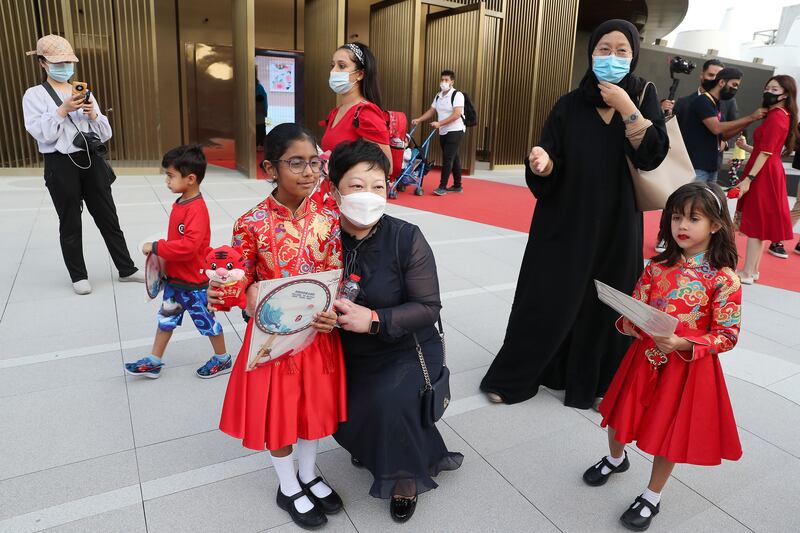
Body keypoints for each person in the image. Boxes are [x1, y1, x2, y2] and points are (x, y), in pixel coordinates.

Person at [479, 20, 669, 409]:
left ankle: (602, 382)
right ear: (590, 53)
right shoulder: (569, 103)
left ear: (634, 55)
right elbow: (548, 155)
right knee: (548, 292)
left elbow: (652, 155)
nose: (611, 58)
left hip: (618, 220)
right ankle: (521, 373)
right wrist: (543, 163)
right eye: (603, 49)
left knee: (611, 298)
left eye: (621, 51)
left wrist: (628, 108)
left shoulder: (643, 95)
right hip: (565, 216)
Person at [583, 182, 742, 532]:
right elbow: (633, 312)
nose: (682, 226)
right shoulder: (655, 267)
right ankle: (615, 458)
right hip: (643, 357)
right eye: (675, 218)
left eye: (693, 218)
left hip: (686, 369)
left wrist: (684, 344)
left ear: (715, 224)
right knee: (619, 416)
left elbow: (728, 336)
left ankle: (652, 495)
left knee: (667, 431)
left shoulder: (724, 280)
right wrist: (632, 320)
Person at [213, 124, 346, 530]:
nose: (308, 172)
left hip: (319, 335)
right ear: (270, 166)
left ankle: (309, 473)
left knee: (313, 408)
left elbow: (341, 276)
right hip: (272, 340)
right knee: (280, 413)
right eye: (296, 163)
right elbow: (238, 278)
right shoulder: (250, 223)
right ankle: (287, 484)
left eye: (314, 163)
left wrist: (337, 310)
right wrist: (232, 292)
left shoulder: (330, 218)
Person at [329, 139, 463, 523]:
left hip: (406, 346)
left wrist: (374, 319)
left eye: (378, 186)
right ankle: (367, 443)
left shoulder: (406, 237)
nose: (369, 196)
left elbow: (427, 308)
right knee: (333, 395)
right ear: (334, 187)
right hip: (343, 348)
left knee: (389, 401)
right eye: (356, 186)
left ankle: (405, 479)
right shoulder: (320, 238)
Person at [22, 34, 143, 295]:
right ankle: (78, 275)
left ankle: (127, 269)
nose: (64, 66)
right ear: (42, 63)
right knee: (70, 220)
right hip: (60, 163)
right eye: (57, 61)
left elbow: (105, 133)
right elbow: (43, 134)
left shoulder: (83, 90)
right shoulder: (34, 95)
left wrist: (93, 114)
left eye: (67, 61)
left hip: (91, 159)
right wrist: (62, 110)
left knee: (108, 216)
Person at [123, 145, 232, 379]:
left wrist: (156, 246)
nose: (167, 181)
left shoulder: (196, 209)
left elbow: (189, 246)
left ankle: (223, 359)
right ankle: (154, 360)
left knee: (207, 322)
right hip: (175, 280)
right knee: (166, 320)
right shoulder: (182, 202)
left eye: (171, 175)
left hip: (194, 283)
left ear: (190, 179)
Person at [733, 75, 798, 283]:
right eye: (767, 87)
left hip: (763, 173)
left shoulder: (777, 116)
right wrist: (746, 148)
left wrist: (749, 179)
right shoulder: (780, 115)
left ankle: (748, 272)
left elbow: (767, 153)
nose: (769, 91)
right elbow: (766, 151)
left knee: (756, 223)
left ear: (786, 93)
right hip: (766, 169)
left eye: (775, 88)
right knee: (758, 224)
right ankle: (753, 270)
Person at [316, 42, 391, 207]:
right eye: (332, 65)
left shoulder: (366, 113)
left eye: (341, 66)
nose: (333, 71)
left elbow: (386, 165)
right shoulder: (336, 112)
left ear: (360, 74)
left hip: (351, 204)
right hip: (330, 198)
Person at [680, 67, 766, 183]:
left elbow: (723, 135)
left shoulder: (717, 104)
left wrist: (750, 121)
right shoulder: (703, 101)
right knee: (695, 200)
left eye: (737, 86)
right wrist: (750, 117)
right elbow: (716, 128)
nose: (735, 89)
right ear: (721, 82)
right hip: (697, 166)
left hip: (711, 166)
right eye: (734, 84)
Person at [411, 70, 466, 195]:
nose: (443, 82)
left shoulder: (457, 95)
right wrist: (419, 119)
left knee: (447, 158)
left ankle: (442, 187)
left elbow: (457, 114)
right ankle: (458, 185)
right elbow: (431, 111)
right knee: (454, 157)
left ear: (452, 82)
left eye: (446, 80)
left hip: (455, 129)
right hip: (443, 130)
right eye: (442, 80)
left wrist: (440, 123)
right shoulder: (438, 95)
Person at [256, 68, 268, 151]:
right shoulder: (260, 87)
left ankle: (260, 144)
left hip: (258, 113)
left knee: (259, 129)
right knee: (260, 128)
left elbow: (260, 100)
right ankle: (260, 144)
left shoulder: (259, 88)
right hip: (259, 113)